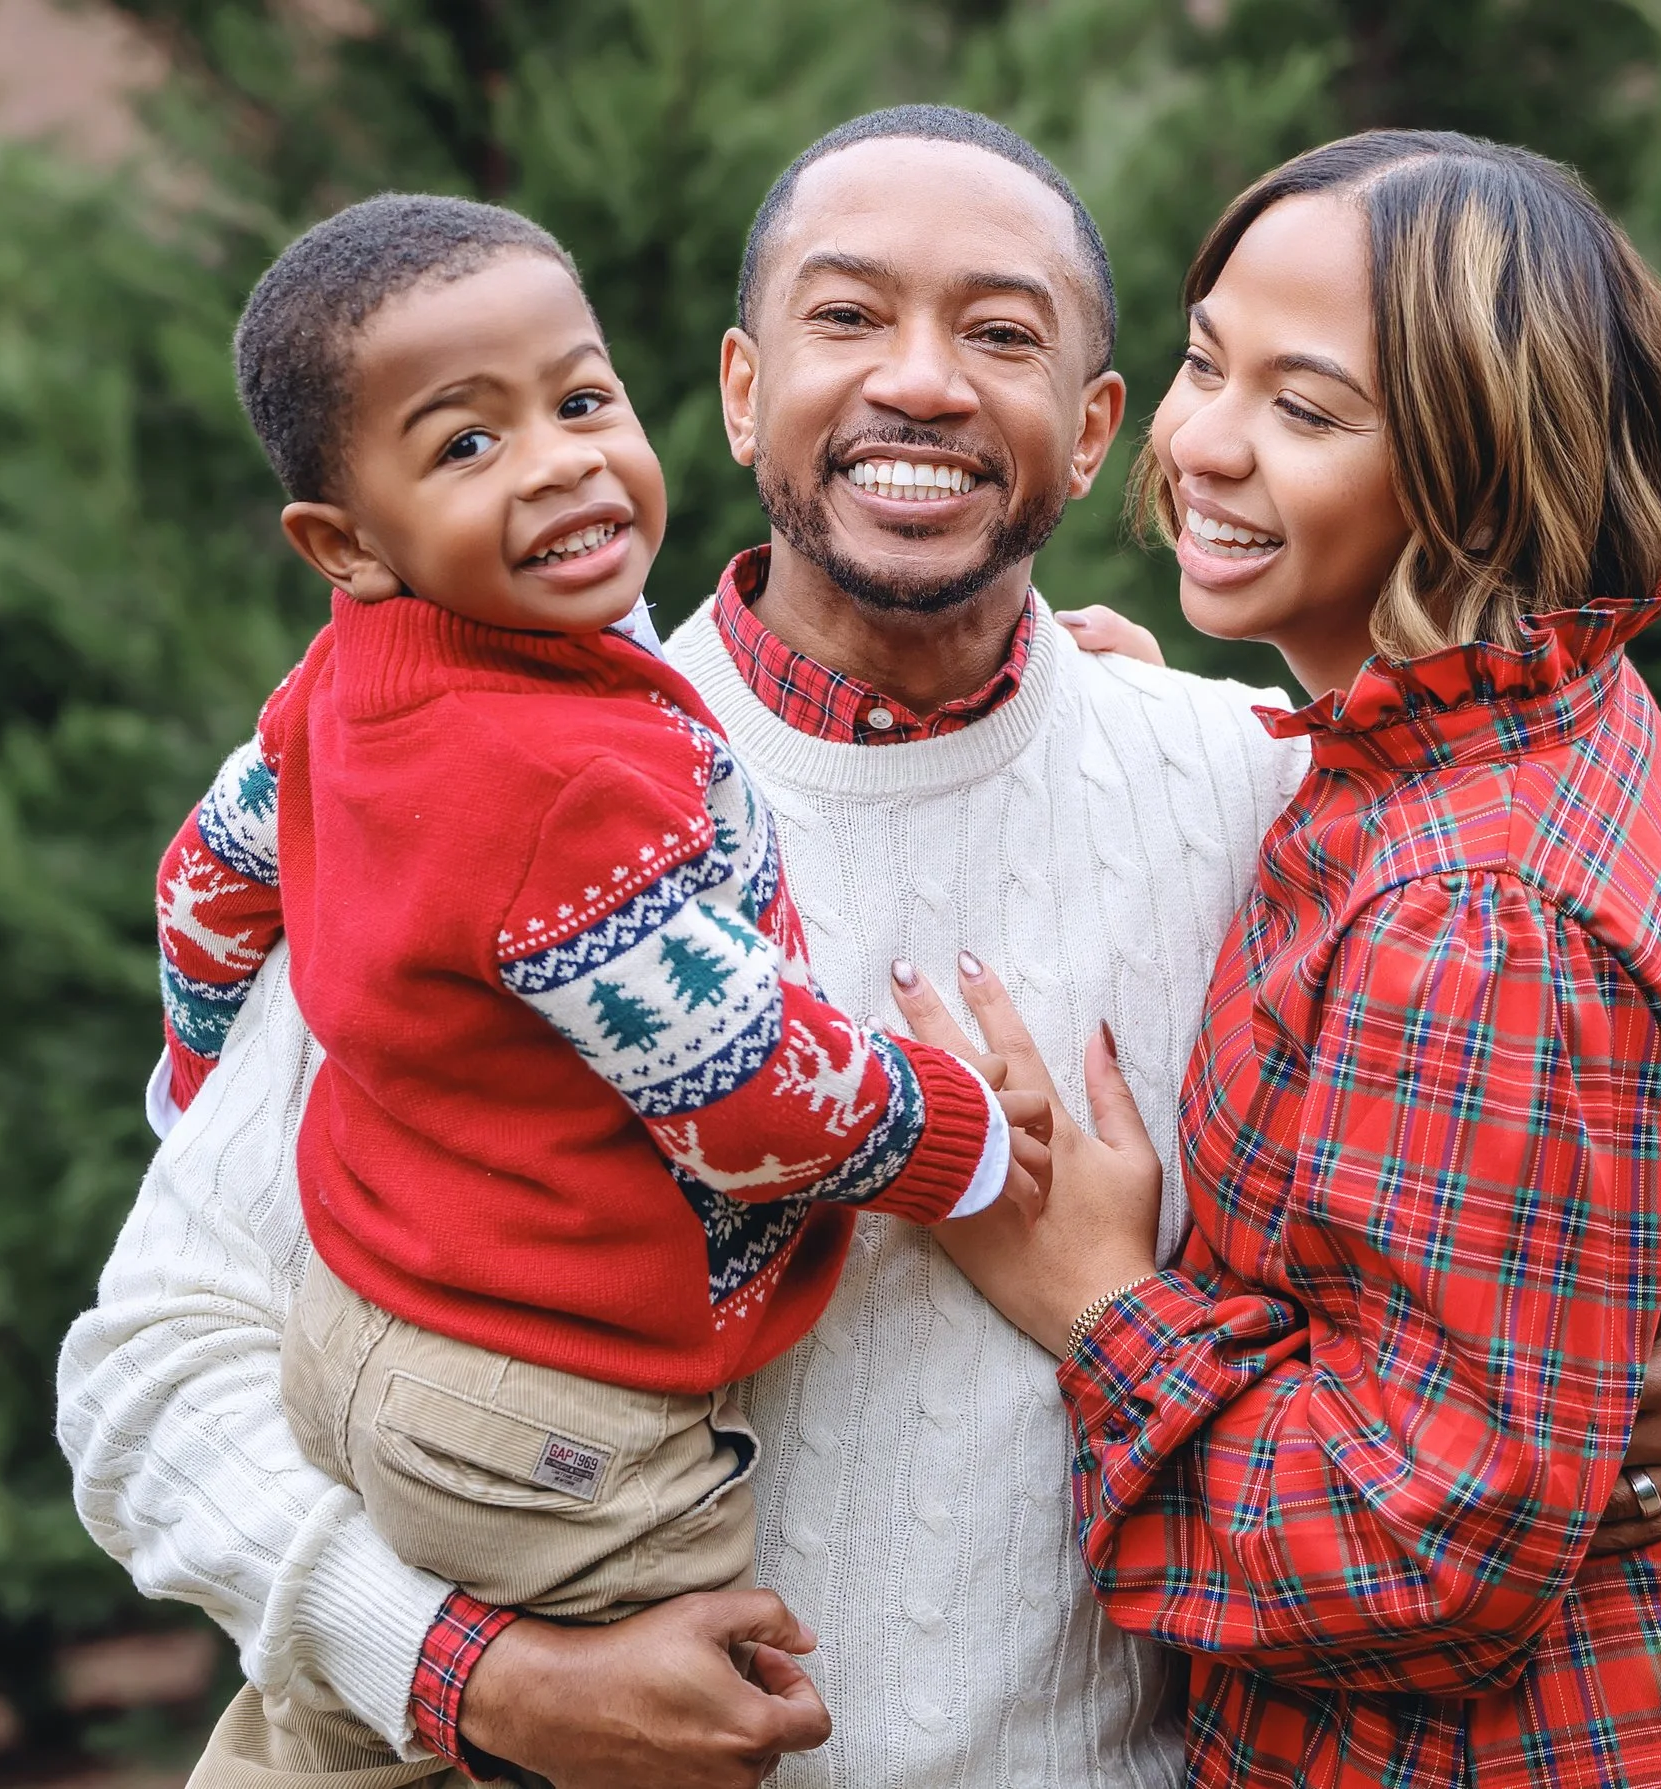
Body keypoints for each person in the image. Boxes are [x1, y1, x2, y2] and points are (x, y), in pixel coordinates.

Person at [58, 109, 1661, 1789]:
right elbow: (148, 1370)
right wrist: (468, 1676)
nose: (918, 379)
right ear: (743, 396)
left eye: (1002, 334)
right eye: (849, 317)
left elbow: (1658, 1117)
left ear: (1091, 427)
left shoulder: (1246, 786)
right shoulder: (490, 806)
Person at [891, 131, 1661, 1787]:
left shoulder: (1475, 917)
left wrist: (1099, 1302)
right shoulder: (1520, 715)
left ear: (1479, 468)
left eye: (1309, 409)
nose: (1202, 442)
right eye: (1209, 362)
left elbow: (1417, 1553)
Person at [140, 190, 1052, 1776]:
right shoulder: (566, 787)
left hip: (359, 1329)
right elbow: (748, 1095)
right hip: (546, 1416)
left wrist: (202, 1067)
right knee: (688, 1720)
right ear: (343, 540)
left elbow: (208, 883)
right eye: (466, 445)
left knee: (330, 1731)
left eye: (578, 402)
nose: (560, 460)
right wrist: (959, 1138)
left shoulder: (348, 682)